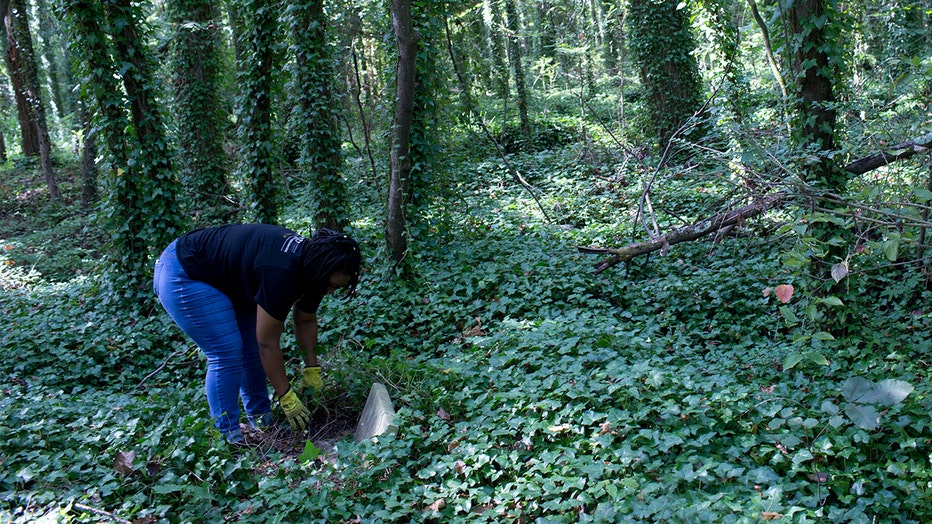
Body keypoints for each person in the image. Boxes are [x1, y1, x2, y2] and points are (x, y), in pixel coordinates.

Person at [152, 224, 361, 444]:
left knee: (249, 348)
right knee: (227, 353)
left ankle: (261, 421)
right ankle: (228, 436)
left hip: (231, 281)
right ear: (323, 270)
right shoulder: (282, 272)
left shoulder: (314, 270)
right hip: (185, 273)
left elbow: (305, 319)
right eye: (331, 285)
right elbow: (267, 344)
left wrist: (312, 369)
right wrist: (286, 395)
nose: (330, 291)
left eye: (336, 288)